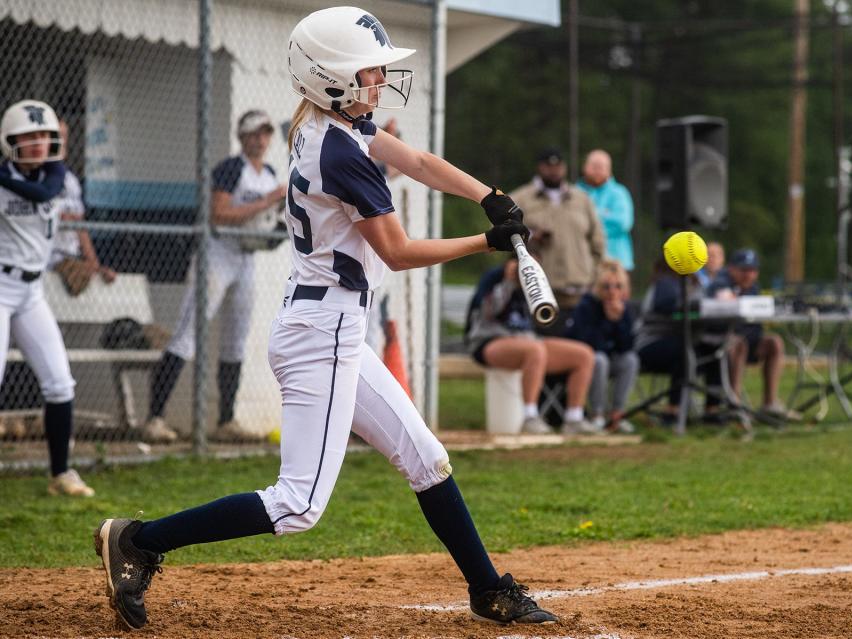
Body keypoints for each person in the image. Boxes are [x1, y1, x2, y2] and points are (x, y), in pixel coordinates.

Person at [94, 7, 557, 630]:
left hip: (331, 326)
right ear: (329, 79)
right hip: (324, 335)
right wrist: (484, 244)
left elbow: (417, 160)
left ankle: (488, 589)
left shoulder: (333, 126)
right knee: (298, 505)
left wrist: (488, 196)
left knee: (426, 457)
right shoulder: (341, 152)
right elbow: (394, 252)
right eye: (366, 73)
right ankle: (139, 541)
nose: (377, 82)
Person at [142, 109, 286, 443]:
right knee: (188, 333)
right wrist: (267, 201)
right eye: (255, 133)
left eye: (266, 133)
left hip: (246, 258)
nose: (261, 139)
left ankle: (226, 421)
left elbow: (266, 219)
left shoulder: (270, 173)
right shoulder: (232, 168)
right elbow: (219, 215)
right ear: (242, 136)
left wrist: (276, 213)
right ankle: (154, 417)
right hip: (218, 254)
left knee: (236, 340)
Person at [0, 99, 93, 496]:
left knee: (59, 382)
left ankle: (60, 474)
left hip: (32, 291)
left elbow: (43, 194)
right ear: (9, 140)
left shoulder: (56, 174)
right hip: (1, 286)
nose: (38, 143)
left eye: (44, 135)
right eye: (29, 136)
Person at [466, 256, 598, 435]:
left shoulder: (533, 283)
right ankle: (529, 417)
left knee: (584, 355)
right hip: (489, 341)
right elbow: (488, 311)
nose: (528, 272)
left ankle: (574, 418)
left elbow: (543, 318)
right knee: (535, 350)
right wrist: (509, 282)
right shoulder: (494, 277)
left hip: (527, 340)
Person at [510, 148, 605, 334]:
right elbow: (498, 234)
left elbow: (598, 242)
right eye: (548, 166)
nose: (554, 170)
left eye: (558, 165)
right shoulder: (520, 198)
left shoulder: (582, 199)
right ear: (539, 167)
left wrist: (593, 275)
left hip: (579, 293)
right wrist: (529, 235)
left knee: (581, 351)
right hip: (539, 295)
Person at [634, 257, 725, 425]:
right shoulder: (665, 282)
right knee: (684, 351)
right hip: (650, 343)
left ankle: (712, 410)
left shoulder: (696, 283)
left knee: (713, 351)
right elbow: (668, 305)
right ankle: (672, 411)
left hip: (680, 342)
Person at [707, 248, 793, 421]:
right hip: (720, 344)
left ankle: (770, 403)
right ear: (732, 268)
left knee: (774, 342)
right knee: (739, 344)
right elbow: (727, 303)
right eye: (744, 270)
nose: (749, 275)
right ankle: (735, 404)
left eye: (753, 270)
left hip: (751, 341)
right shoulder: (721, 282)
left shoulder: (753, 287)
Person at [567, 259, 639, 433]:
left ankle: (617, 414)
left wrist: (619, 321)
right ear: (599, 287)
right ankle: (597, 414)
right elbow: (591, 344)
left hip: (612, 358)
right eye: (607, 286)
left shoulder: (626, 309)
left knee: (630, 360)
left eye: (618, 286)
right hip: (584, 362)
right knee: (599, 359)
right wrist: (608, 321)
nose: (612, 291)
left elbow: (627, 345)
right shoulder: (587, 306)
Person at [48, 120, 117, 294]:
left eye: (64, 138)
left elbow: (79, 224)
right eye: (56, 137)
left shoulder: (70, 181)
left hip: (69, 256)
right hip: (43, 257)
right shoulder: (29, 177)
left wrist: (94, 263)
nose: (62, 144)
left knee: (100, 274)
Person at [577, 149, 634, 271]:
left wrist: (588, 226)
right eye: (594, 166)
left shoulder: (619, 192)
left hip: (616, 262)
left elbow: (622, 223)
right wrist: (604, 214)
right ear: (584, 167)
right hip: (582, 263)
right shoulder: (574, 192)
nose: (598, 170)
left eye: (602, 166)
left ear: (609, 169)